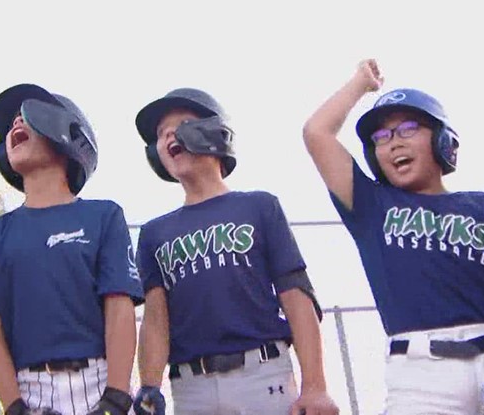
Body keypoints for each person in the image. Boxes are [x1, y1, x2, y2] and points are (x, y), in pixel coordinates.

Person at [303, 61, 484, 415]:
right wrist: (360, 84)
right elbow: (317, 133)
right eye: (381, 138)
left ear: (443, 140)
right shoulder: (371, 206)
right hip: (420, 378)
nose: (393, 143)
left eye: (407, 129)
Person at [131, 88, 338, 415]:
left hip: (262, 374)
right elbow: (156, 319)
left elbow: (296, 295)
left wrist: (315, 386)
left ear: (216, 132)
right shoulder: (155, 232)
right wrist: (150, 385)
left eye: (182, 123)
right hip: (190, 386)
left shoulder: (258, 206)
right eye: (160, 133)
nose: (169, 133)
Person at [0, 83, 143, 415]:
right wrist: (14, 406)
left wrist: (117, 397)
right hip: (29, 389)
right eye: (11, 122)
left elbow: (119, 307)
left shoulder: (103, 216)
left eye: (27, 116)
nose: (16, 125)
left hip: (99, 380)